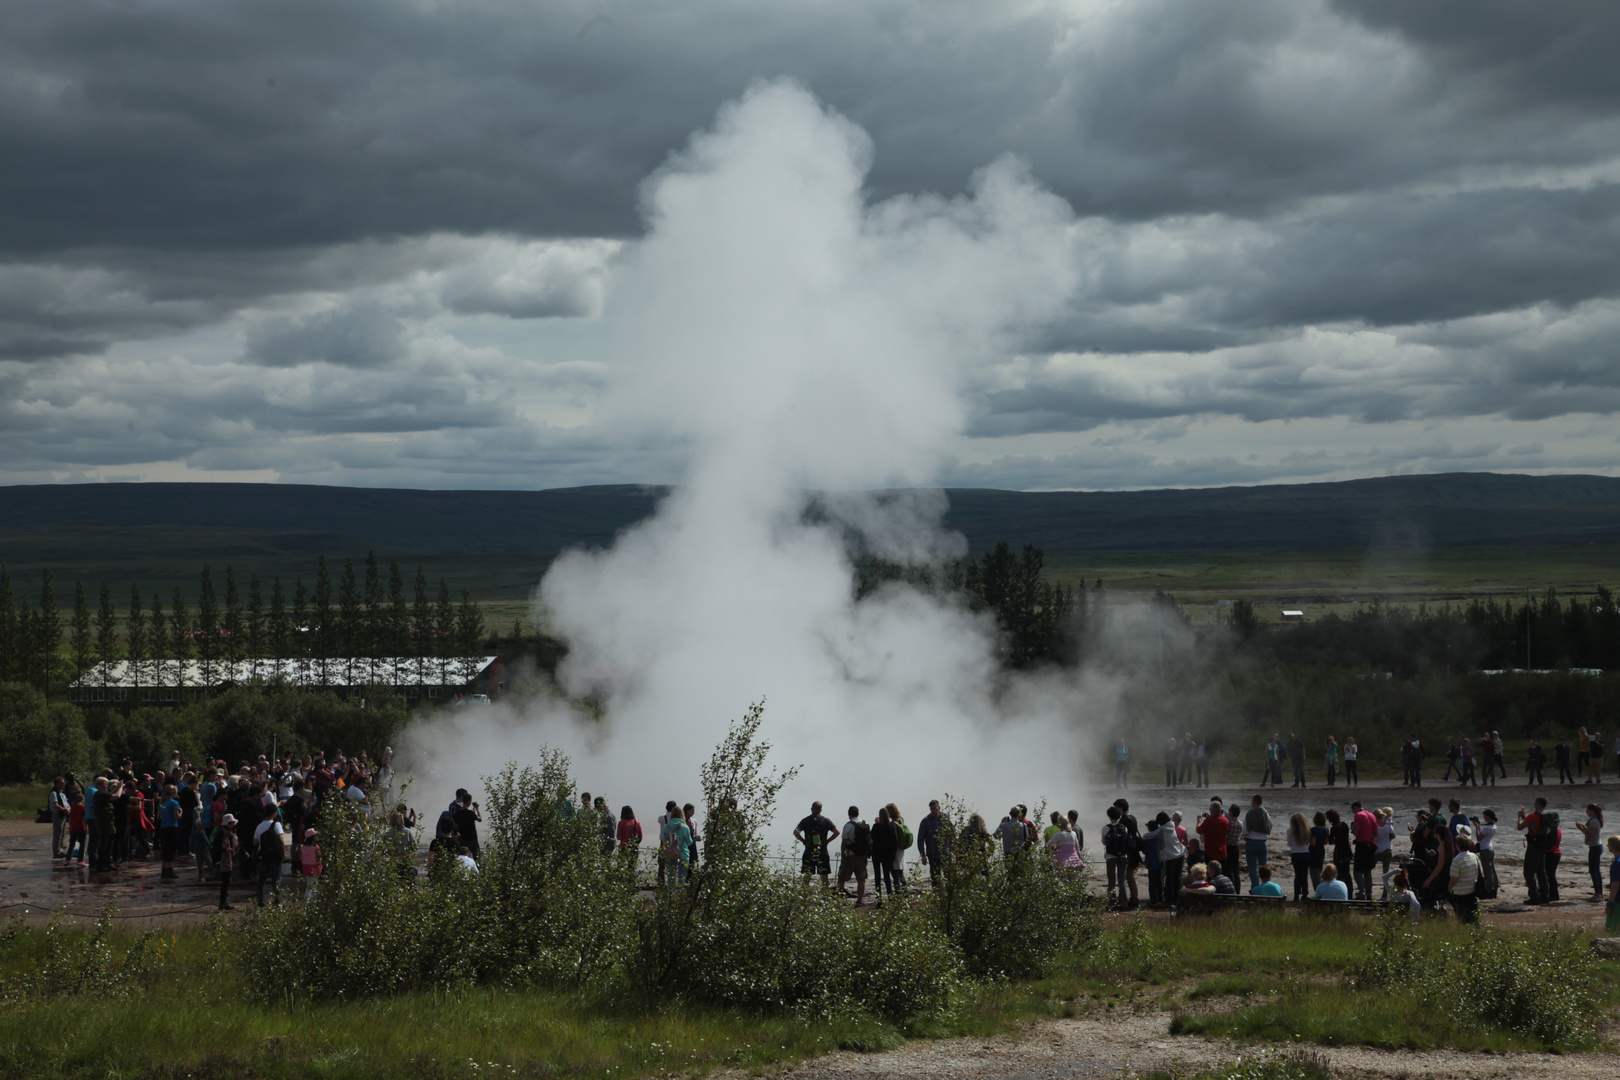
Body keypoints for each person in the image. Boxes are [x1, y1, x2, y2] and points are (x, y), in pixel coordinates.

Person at [794, 801, 838, 887]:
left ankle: (804, 895)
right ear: (821, 810)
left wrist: (803, 841)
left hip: (809, 850)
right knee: (824, 875)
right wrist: (827, 841)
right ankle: (825, 896)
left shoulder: (805, 820)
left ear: (811, 809)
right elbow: (837, 832)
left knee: (807, 875)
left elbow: (795, 832)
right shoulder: (826, 821)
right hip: (822, 851)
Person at [1147, 811, 1185, 907]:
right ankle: (1177, 899)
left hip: (1171, 856)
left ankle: (1168, 900)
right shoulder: (1172, 825)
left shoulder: (1162, 830)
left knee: (1169, 879)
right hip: (1180, 854)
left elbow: (1147, 836)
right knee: (1177, 878)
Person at [1517, 796, 1551, 904]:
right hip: (1542, 845)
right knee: (1541, 871)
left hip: (1533, 846)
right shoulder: (1547, 815)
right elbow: (1534, 824)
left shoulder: (1533, 816)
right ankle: (1545, 896)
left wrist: (1520, 817)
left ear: (1537, 804)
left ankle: (1534, 896)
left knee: (1528, 872)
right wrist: (1525, 817)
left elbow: (1520, 827)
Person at [839, 806, 871, 905]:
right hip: (862, 856)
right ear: (858, 813)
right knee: (861, 879)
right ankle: (859, 901)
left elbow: (844, 842)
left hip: (850, 855)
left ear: (849, 814)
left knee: (842, 877)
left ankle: (840, 900)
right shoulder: (865, 824)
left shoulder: (848, 826)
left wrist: (843, 855)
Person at [1449, 827, 1482, 923]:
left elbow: (1454, 878)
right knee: (1473, 917)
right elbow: (1479, 872)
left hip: (1460, 892)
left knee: (1462, 918)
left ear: (1457, 845)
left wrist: (1449, 888)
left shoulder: (1456, 860)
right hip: (1472, 890)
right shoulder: (1474, 856)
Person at [253, 808, 285, 906]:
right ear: (274, 813)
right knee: (276, 881)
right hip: (275, 856)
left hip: (264, 856)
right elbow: (281, 840)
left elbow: (255, 842)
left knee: (261, 880)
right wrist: (283, 853)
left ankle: (261, 902)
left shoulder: (259, 826)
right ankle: (276, 902)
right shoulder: (277, 824)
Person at [1103, 805, 1130, 906]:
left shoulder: (1105, 828)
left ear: (1109, 816)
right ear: (1119, 816)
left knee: (1111, 881)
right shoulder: (1124, 828)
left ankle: (1112, 904)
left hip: (1110, 857)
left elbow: (1103, 842)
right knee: (1122, 881)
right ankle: (1124, 904)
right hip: (1123, 857)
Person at [1243, 795, 1272, 890]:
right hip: (1263, 842)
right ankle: (1265, 887)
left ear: (1255, 802)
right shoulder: (1266, 813)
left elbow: (1245, 831)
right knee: (1264, 867)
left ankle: (1255, 887)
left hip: (1251, 842)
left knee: (1252, 868)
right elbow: (1270, 826)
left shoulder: (1250, 813)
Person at [660, 806, 693, 888]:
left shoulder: (666, 827)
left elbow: (664, 841)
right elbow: (689, 842)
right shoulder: (685, 827)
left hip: (670, 854)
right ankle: (680, 897)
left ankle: (670, 896)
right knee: (681, 879)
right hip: (683, 854)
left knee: (671, 879)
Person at [871, 807, 900, 898]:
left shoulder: (876, 827)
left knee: (877, 877)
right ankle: (890, 897)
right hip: (887, 855)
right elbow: (895, 842)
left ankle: (879, 899)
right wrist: (893, 855)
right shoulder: (892, 827)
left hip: (876, 854)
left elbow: (871, 839)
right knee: (887, 877)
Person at [917, 799, 947, 883]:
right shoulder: (925, 821)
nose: (933, 811)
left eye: (935, 808)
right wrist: (923, 855)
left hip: (945, 853)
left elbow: (951, 834)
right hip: (933, 854)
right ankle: (937, 893)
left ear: (939, 808)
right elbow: (920, 839)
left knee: (949, 876)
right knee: (935, 878)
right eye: (931, 809)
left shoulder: (945, 818)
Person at [1582, 804, 1606, 900]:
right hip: (1597, 846)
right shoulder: (1595, 820)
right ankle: (1599, 893)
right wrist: (1584, 829)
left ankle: (1598, 894)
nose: (1586, 812)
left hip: (1595, 847)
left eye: (1587, 810)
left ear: (1592, 811)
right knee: (1596, 870)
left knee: (1593, 870)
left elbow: (1590, 837)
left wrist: (1582, 829)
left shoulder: (1593, 821)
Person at [158, 783, 181, 880]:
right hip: (172, 827)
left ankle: (164, 870)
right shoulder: (174, 803)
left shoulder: (161, 802)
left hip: (163, 827)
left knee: (165, 848)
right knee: (171, 849)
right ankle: (170, 869)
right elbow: (176, 817)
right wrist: (181, 812)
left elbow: (158, 816)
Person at [1287, 812, 1312, 901]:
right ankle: (1305, 893)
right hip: (1305, 853)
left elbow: (1289, 844)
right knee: (1304, 874)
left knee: (1297, 875)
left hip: (1295, 854)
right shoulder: (1307, 830)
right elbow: (1308, 842)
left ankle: (1296, 894)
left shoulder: (1290, 831)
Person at [450, 789, 482, 858]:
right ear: (469, 802)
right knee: (477, 857)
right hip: (472, 839)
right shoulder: (470, 813)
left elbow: (456, 825)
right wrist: (477, 808)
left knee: (462, 857)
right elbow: (480, 819)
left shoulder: (457, 813)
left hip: (462, 839)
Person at [216, 813, 238, 910]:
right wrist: (225, 850)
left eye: (233, 822)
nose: (232, 824)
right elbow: (215, 848)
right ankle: (222, 903)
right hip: (223, 861)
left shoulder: (232, 833)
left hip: (230, 859)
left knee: (227, 882)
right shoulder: (221, 833)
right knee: (224, 883)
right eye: (230, 823)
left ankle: (224, 902)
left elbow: (237, 844)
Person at [49, 778, 69, 859]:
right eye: (61, 783)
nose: (63, 785)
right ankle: (56, 852)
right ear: (57, 784)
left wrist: (68, 808)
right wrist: (64, 809)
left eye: (64, 783)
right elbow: (55, 805)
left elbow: (66, 803)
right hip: (57, 815)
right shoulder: (54, 793)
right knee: (58, 834)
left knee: (63, 833)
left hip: (64, 815)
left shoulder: (62, 794)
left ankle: (61, 850)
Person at [299, 828, 322, 900]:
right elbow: (318, 858)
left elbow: (300, 857)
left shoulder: (302, 847)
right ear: (313, 837)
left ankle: (307, 901)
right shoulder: (316, 847)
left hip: (306, 867)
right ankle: (312, 902)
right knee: (314, 885)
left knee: (308, 885)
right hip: (315, 867)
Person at [1606, 834, 1620, 935]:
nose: (1607, 846)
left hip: (1618, 900)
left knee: (1611, 929)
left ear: (1613, 847)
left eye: (1609, 844)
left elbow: (1615, 884)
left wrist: (1610, 903)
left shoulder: (1617, 863)